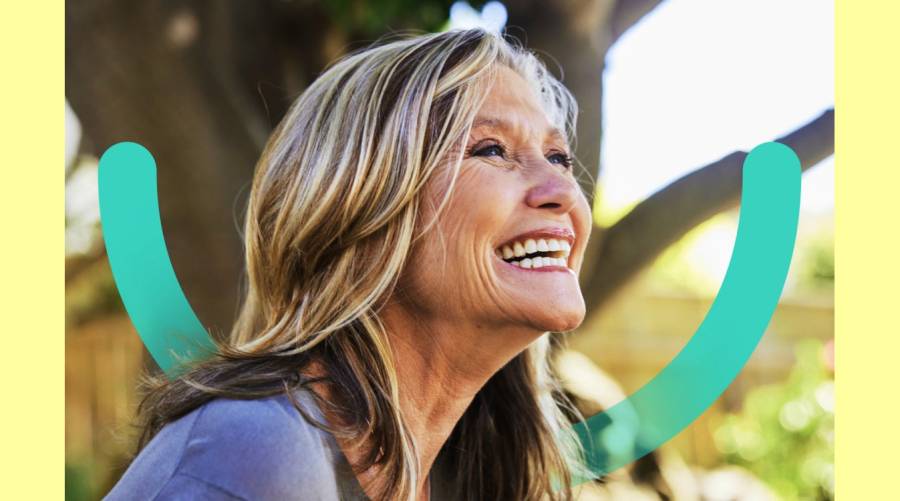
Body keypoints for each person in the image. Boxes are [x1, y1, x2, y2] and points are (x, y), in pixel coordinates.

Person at [105, 28, 593, 501]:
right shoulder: (258, 451)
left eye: (559, 157)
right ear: (363, 207)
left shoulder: (465, 476)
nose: (564, 190)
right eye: (492, 150)